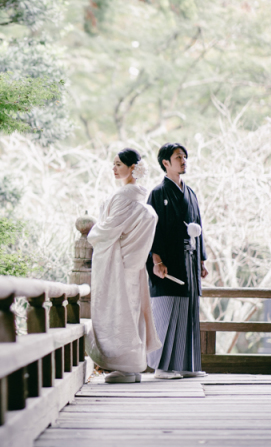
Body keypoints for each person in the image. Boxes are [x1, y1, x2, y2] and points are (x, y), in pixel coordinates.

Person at [87, 148, 162, 383]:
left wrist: (92, 232)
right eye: (114, 163)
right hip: (132, 263)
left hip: (118, 263)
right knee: (131, 311)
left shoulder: (124, 197)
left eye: (119, 164)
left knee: (119, 312)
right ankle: (132, 365)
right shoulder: (137, 196)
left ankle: (125, 366)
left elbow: (107, 230)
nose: (114, 168)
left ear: (132, 168)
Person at [146, 142, 208, 380]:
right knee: (167, 309)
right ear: (165, 163)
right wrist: (157, 260)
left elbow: (200, 226)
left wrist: (201, 260)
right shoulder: (158, 193)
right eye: (178, 157)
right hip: (168, 262)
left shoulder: (190, 193)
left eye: (184, 157)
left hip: (189, 261)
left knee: (188, 310)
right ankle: (161, 367)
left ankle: (184, 365)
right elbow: (154, 230)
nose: (183, 161)